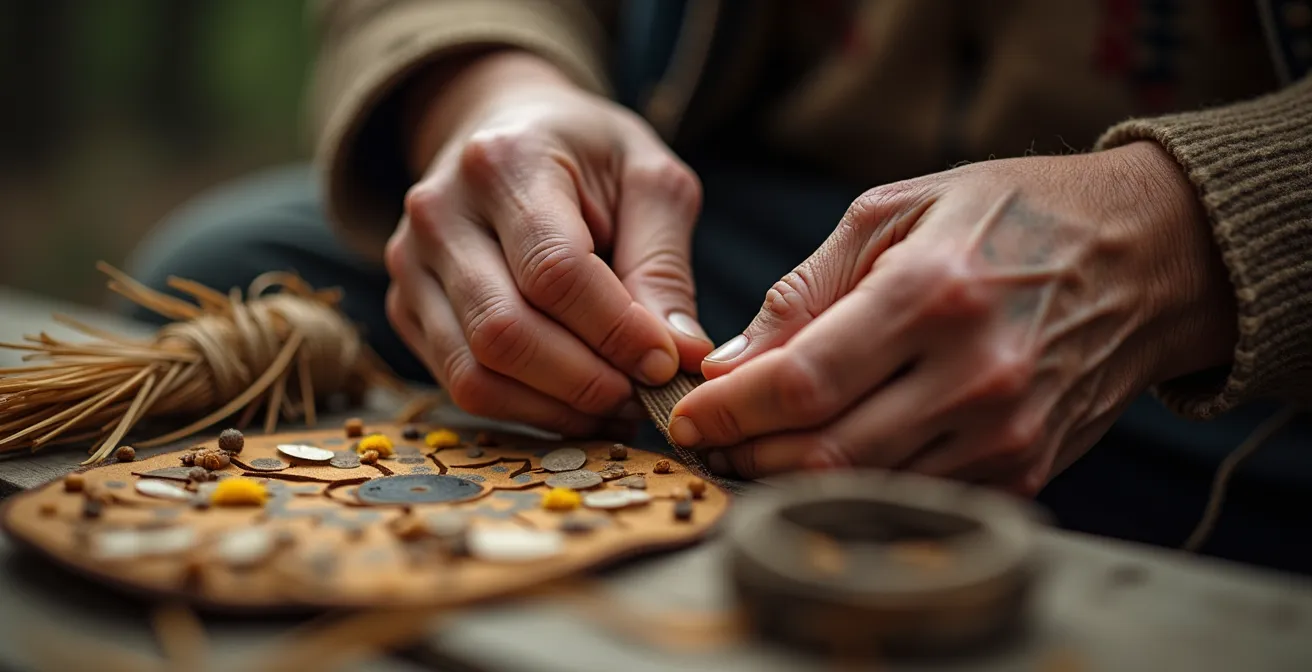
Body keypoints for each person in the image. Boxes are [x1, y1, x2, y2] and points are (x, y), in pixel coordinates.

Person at [127, 1, 1312, 573]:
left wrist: (1175, 243)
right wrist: (492, 85)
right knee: (229, 271)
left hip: (1246, 372)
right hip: (732, 238)